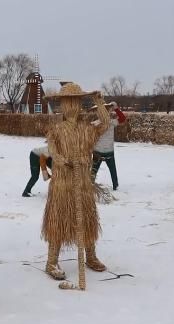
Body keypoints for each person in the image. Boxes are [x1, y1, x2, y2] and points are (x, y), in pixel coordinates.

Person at [42, 83, 110, 281]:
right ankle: (51, 261)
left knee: (87, 219)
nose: (71, 105)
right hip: (62, 183)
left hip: (82, 183)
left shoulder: (87, 129)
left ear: (80, 104)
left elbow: (105, 124)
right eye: (67, 101)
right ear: (61, 105)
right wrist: (62, 161)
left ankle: (91, 256)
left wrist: (99, 102)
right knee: (58, 221)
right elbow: (53, 150)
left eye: (75, 101)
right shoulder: (56, 129)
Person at [91, 102, 126, 190]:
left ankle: (90, 184)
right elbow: (122, 118)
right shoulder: (111, 122)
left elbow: (122, 118)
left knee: (94, 170)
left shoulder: (96, 124)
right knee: (111, 170)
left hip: (99, 151)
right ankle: (115, 185)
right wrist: (116, 109)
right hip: (106, 151)